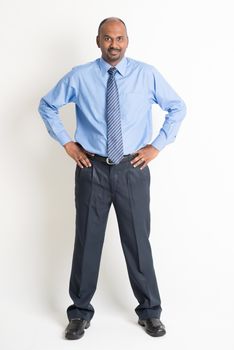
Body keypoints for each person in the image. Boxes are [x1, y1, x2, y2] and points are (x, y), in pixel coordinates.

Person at [38, 17, 186, 340]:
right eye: (108, 38)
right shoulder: (80, 76)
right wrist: (67, 142)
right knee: (87, 241)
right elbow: (46, 105)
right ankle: (79, 313)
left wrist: (156, 146)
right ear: (98, 40)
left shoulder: (146, 75)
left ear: (127, 41)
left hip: (132, 168)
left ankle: (150, 311)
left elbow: (177, 107)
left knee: (137, 242)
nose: (114, 45)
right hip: (91, 169)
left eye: (119, 39)